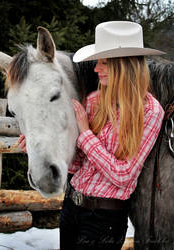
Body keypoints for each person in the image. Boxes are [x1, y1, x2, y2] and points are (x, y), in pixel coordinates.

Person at [18, 21, 165, 250]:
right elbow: (80, 165)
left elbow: (123, 175)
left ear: (124, 66)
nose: (96, 69)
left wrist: (85, 134)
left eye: (103, 63)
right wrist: (40, 150)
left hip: (104, 219)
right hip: (71, 207)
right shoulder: (96, 101)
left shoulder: (150, 111)